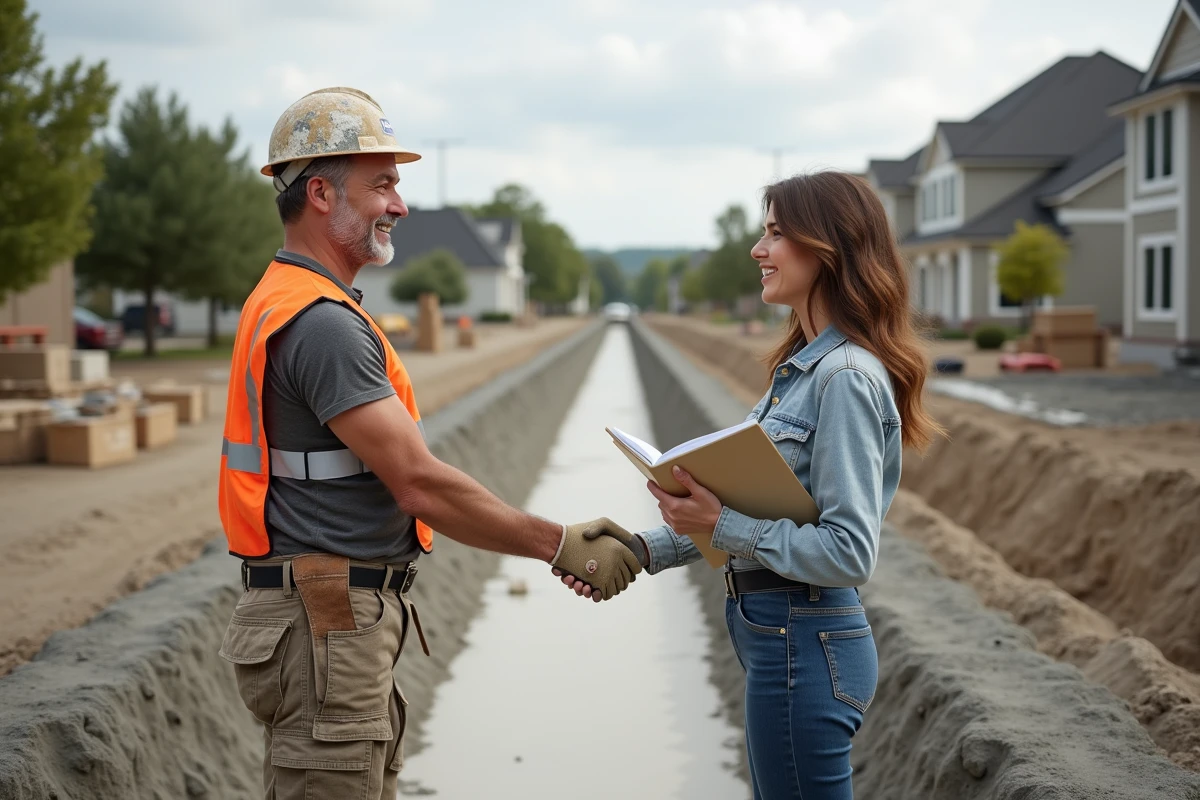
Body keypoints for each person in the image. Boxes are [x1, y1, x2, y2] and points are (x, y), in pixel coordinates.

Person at [216, 87, 640, 800]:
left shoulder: (301, 301)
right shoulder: (321, 323)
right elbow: (419, 483)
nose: (400, 205)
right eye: (383, 184)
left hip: (331, 623)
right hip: (327, 625)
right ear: (320, 192)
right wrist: (557, 543)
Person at [557, 172, 940, 799]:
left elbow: (848, 551)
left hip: (805, 641)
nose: (758, 251)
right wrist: (641, 549)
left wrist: (721, 526)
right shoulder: (799, 370)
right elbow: (739, 504)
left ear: (827, 248)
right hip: (783, 637)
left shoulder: (842, 377)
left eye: (775, 234)